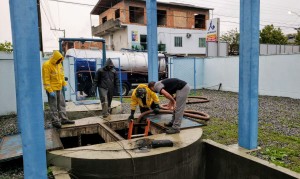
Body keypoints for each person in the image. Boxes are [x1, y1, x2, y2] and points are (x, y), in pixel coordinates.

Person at [42, 50, 75, 129]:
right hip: (52, 90)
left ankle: (64, 119)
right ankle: (55, 121)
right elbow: (46, 79)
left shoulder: (59, 64)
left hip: (59, 88)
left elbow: (61, 75)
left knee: (62, 104)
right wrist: (49, 90)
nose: (60, 61)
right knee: (53, 106)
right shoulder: (46, 65)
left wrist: (64, 84)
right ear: (55, 59)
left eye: (60, 60)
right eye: (59, 60)